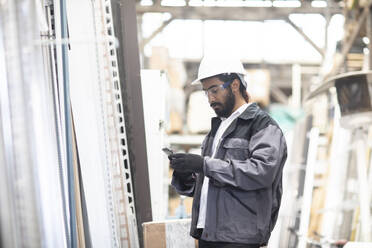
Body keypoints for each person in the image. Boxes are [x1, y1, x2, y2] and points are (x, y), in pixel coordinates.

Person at [168, 56, 287, 248]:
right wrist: (185, 174)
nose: (210, 98)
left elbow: (261, 172)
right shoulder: (216, 131)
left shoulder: (262, 126)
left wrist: (204, 165)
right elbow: (209, 185)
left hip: (240, 239)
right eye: (206, 92)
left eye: (214, 90)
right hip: (207, 235)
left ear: (234, 85)